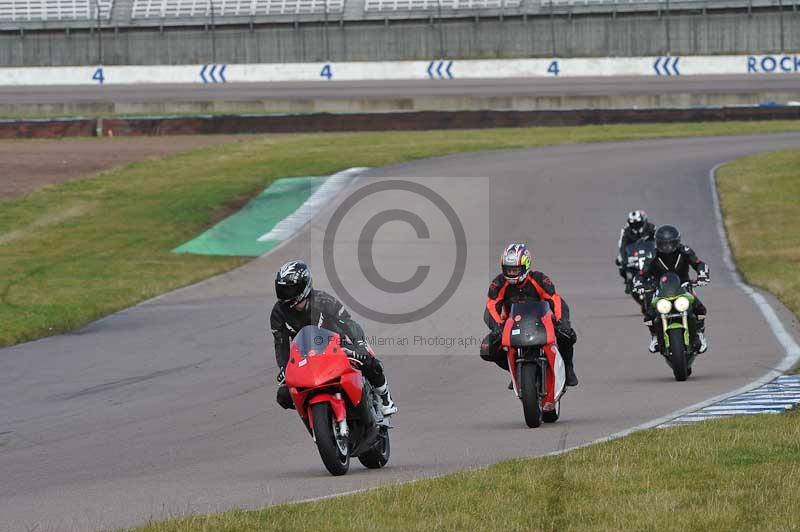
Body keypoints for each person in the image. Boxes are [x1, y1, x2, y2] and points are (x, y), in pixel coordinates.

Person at [270, 260, 397, 416]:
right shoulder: (278, 313)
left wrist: (359, 345)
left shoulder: (323, 300)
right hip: (306, 355)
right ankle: (316, 414)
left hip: (338, 345)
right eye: (282, 289)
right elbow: (281, 343)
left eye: (290, 289)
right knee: (283, 396)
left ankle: (385, 399)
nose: (286, 294)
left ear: (304, 286)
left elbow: (348, 323)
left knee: (370, 362)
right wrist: (284, 368)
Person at [479, 243, 579, 387]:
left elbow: (556, 301)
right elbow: (491, 307)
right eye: (508, 269)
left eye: (515, 270)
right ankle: (515, 369)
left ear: (525, 266)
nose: (511, 273)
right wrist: (498, 327)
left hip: (542, 323)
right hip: (512, 326)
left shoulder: (539, 279)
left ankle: (568, 368)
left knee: (568, 335)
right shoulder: (498, 283)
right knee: (487, 349)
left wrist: (561, 322)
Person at [636, 225, 710, 353]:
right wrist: (639, 284)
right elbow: (642, 273)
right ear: (657, 243)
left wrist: (702, 275)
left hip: (683, 286)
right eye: (663, 244)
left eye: (670, 243)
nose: (667, 247)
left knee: (700, 309)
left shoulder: (685, 251)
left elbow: (699, 264)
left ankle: (700, 333)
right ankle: (654, 336)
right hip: (660, 289)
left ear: (677, 241)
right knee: (649, 315)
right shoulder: (652, 255)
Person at [616, 210, 656, 288]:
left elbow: (658, 240)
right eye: (633, 224)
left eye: (638, 224)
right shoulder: (626, 231)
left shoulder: (651, 227)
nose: (636, 226)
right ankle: (627, 280)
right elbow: (622, 245)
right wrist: (624, 259)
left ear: (644, 221)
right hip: (633, 253)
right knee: (619, 261)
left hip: (648, 251)